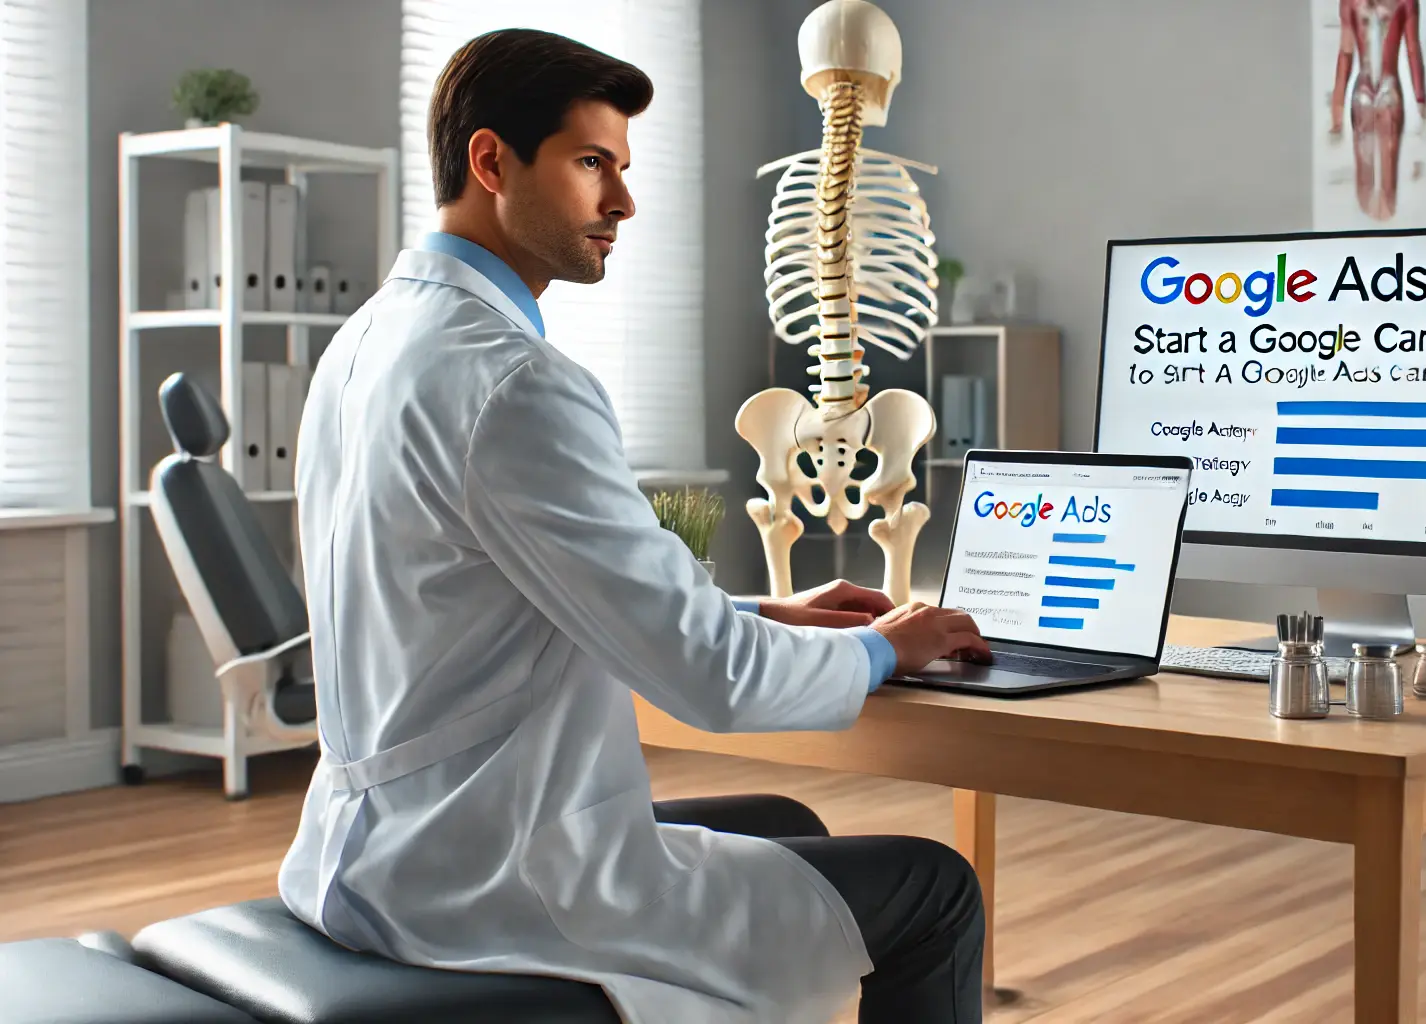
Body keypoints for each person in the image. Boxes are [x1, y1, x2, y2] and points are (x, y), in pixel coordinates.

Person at [276, 26, 992, 1024]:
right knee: (936, 892)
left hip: (382, 842)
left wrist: (768, 610)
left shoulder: (366, 345)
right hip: (491, 876)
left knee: (782, 819)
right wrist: (883, 649)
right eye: (590, 164)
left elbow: (490, 591)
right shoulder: (515, 382)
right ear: (492, 162)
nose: (623, 201)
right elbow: (711, 680)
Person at [1328, 0, 1426, 221]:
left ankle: (1369, 236)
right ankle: (1383, 233)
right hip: (1389, 90)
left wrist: (1337, 109)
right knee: (1388, 179)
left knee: (1365, 177)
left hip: (1362, 91)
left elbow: (1346, 53)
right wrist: (1421, 101)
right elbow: (1412, 49)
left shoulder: (1351, 3)